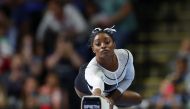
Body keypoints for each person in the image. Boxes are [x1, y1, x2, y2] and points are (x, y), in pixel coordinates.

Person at [74, 26, 142, 108]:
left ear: (114, 44)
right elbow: (97, 88)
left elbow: (129, 79)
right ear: (93, 49)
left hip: (109, 90)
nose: (103, 46)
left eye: (107, 42)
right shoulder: (93, 70)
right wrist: (99, 98)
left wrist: (112, 98)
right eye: (98, 44)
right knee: (99, 102)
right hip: (85, 89)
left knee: (138, 99)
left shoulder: (125, 56)